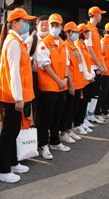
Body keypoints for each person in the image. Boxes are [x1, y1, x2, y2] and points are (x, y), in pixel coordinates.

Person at [0, 9, 36, 183]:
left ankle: (11, 162)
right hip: (13, 95)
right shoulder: (13, 42)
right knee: (9, 132)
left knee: (13, 130)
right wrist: (18, 97)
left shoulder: (16, 41)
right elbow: (14, 72)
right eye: (25, 21)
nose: (28, 24)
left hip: (15, 94)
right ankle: (0, 170)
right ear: (15, 23)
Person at [36, 13, 70, 160]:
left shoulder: (63, 44)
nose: (54, 28)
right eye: (52, 25)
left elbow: (67, 64)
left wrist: (66, 79)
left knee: (57, 116)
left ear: (61, 27)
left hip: (61, 86)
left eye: (57, 25)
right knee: (46, 118)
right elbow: (45, 65)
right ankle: (43, 144)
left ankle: (55, 141)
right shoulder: (44, 43)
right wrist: (59, 80)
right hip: (49, 87)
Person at [59, 22, 94, 144]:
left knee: (74, 108)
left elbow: (81, 65)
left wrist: (88, 76)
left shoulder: (76, 47)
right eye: (74, 32)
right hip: (71, 84)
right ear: (68, 33)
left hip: (79, 83)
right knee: (67, 109)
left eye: (77, 31)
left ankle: (69, 129)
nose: (76, 34)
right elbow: (67, 68)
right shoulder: (65, 47)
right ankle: (63, 132)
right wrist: (71, 85)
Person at [25, 15, 49, 125]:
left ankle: (44, 128)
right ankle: (36, 129)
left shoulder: (53, 40)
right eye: (41, 25)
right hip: (35, 76)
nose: (44, 27)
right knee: (36, 104)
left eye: (46, 25)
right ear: (37, 26)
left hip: (49, 76)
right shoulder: (32, 40)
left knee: (47, 104)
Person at [85, 7, 107, 124]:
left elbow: (98, 50)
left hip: (96, 65)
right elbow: (90, 49)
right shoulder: (88, 29)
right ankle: (87, 116)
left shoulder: (95, 30)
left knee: (95, 92)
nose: (101, 16)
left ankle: (91, 114)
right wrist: (99, 64)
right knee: (90, 93)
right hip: (91, 66)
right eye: (100, 14)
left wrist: (102, 64)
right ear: (94, 15)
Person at [74, 23, 95, 130]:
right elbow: (80, 64)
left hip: (86, 79)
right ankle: (77, 124)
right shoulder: (78, 45)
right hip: (81, 79)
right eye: (88, 32)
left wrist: (91, 74)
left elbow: (87, 63)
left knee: (84, 102)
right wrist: (88, 76)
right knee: (80, 103)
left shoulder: (83, 45)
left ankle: (82, 121)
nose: (89, 34)